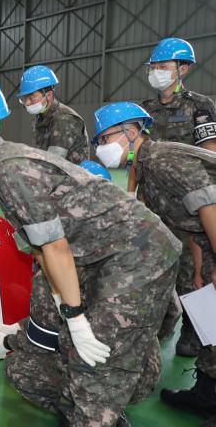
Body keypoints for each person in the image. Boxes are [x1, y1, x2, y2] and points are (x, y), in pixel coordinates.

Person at [0, 77, 181, 427]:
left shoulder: (11, 168)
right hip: (106, 253)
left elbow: (56, 248)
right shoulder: (3, 167)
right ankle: (100, 402)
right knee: (89, 355)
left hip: (138, 253)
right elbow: (41, 249)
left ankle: (98, 413)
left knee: (97, 362)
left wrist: (76, 317)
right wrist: (60, 298)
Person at [91, 101, 216, 425]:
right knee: (212, 321)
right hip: (208, 239)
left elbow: (210, 205)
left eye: (105, 139)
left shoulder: (162, 160)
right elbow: (194, 223)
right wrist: (202, 270)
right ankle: (208, 394)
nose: (102, 148)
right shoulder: (147, 169)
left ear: (131, 132)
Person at [138, 38, 216, 354]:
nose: (157, 72)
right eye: (154, 67)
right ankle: (166, 323)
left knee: (193, 276)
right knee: (155, 269)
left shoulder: (201, 106)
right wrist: (134, 195)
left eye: (164, 66)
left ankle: (199, 336)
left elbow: (211, 157)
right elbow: (137, 156)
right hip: (153, 205)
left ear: (182, 69)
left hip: (188, 209)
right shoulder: (146, 109)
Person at [17, 65, 90, 163]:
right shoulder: (41, 117)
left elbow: (54, 162)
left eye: (31, 98)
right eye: (24, 99)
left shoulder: (64, 119)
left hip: (71, 176)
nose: (27, 103)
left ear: (49, 95)